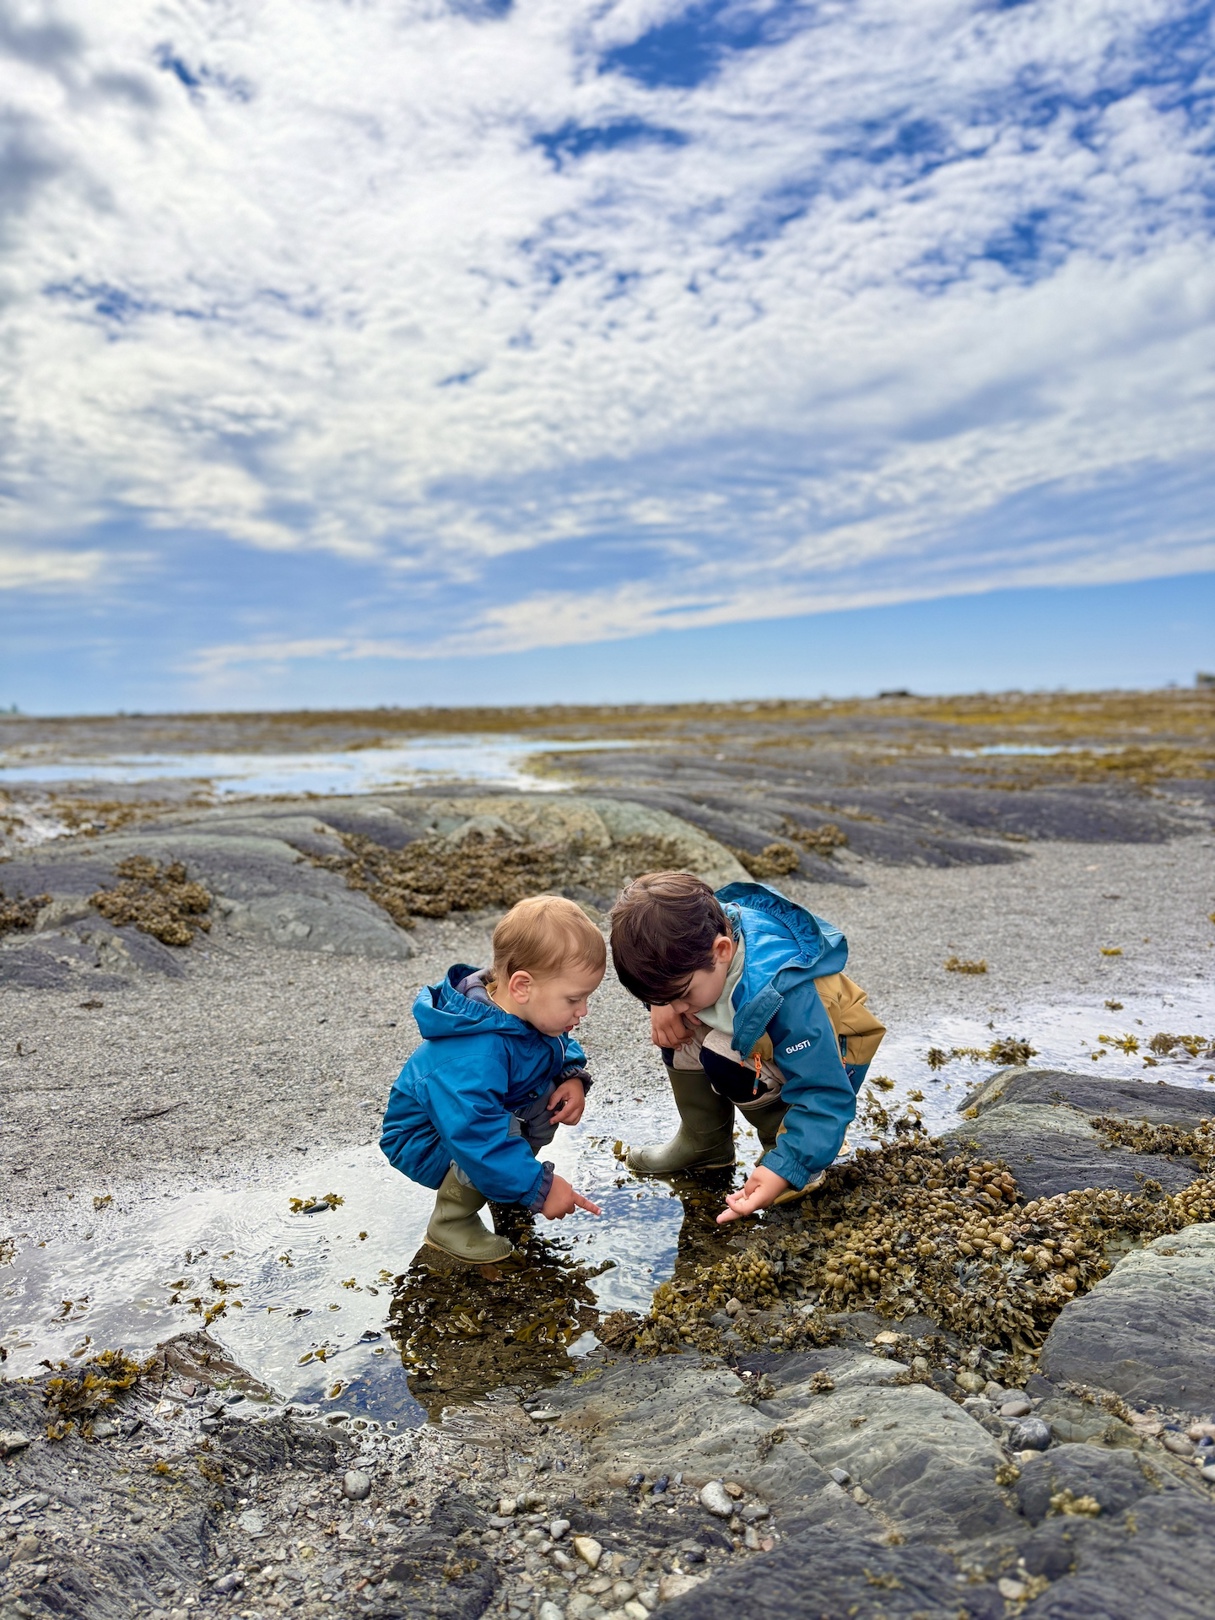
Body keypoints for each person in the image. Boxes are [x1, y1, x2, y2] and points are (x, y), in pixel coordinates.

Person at [609, 871, 885, 1225]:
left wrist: (786, 1168)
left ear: (722, 951)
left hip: (830, 1060)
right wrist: (661, 1004)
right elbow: (670, 969)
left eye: (680, 993)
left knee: (721, 1055)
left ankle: (787, 1150)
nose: (676, 1004)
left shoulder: (789, 996)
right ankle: (705, 1144)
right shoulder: (694, 943)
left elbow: (826, 1093)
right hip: (759, 1030)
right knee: (680, 1031)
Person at [381, 894, 604, 1267]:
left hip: (476, 1120)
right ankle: (451, 1222)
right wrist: (542, 1187)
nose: (582, 1011)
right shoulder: (476, 1053)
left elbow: (556, 1042)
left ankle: (504, 1184)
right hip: (428, 1138)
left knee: (542, 1104)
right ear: (521, 986)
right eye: (574, 999)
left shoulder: (522, 1009)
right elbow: (476, 1133)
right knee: (496, 1132)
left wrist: (572, 1076)